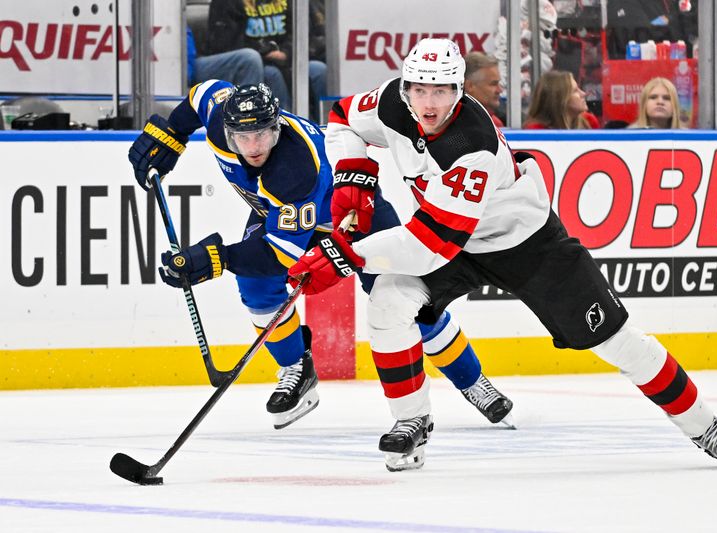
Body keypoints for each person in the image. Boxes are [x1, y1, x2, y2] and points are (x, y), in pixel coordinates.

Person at [289, 38, 717, 472]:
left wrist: (343, 256)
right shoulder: (393, 101)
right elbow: (344, 118)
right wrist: (353, 173)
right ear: (405, 85)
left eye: (441, 91)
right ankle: (412, 425)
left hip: (527, 244)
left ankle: (706, 426)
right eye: (418, 89)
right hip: (456, 240)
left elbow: (429, 245)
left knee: (616, 339)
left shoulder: (472, 145)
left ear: (459, 90)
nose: (428, 103)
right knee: (388, 303)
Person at [126, 80, 514, 431]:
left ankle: (473, 380)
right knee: (258, 290)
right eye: (244, 137)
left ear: (276, 127)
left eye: (263, 133)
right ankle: (297, 369)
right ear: (227, 131)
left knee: (406, 301)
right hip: (279, 214)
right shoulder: (218, 120)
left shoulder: (295, 168)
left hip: (353, 216)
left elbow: (279, 256)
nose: (255, 146)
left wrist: (212, 259)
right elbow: (201, 94)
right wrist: (171, 134)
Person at [205, 0, 328, 122]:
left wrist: (287, 53)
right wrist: (264, 51)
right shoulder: (226, 3)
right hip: (260, 62)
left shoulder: (297, 3)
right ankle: (286, 124)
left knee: (319, 70)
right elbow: (223, 44)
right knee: (271, 74)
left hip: (292, 58)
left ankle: (326, 127)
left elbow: (313, 35)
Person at [188, 27, 263, 87]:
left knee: (269, 72)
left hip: (189, 62)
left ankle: (247, 104)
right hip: (183, 68)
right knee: (249, 58)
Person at [523, 70, 600, 129]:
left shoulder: (589, 122)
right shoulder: (536, 131)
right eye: (575, 91)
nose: (583, 94)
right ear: (560, 99)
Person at [464, 52, 505, 127]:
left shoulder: (496, 124)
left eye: (498, 83)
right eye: (493, 84)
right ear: (469, 86)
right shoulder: (449, 125)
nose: (500, 90)